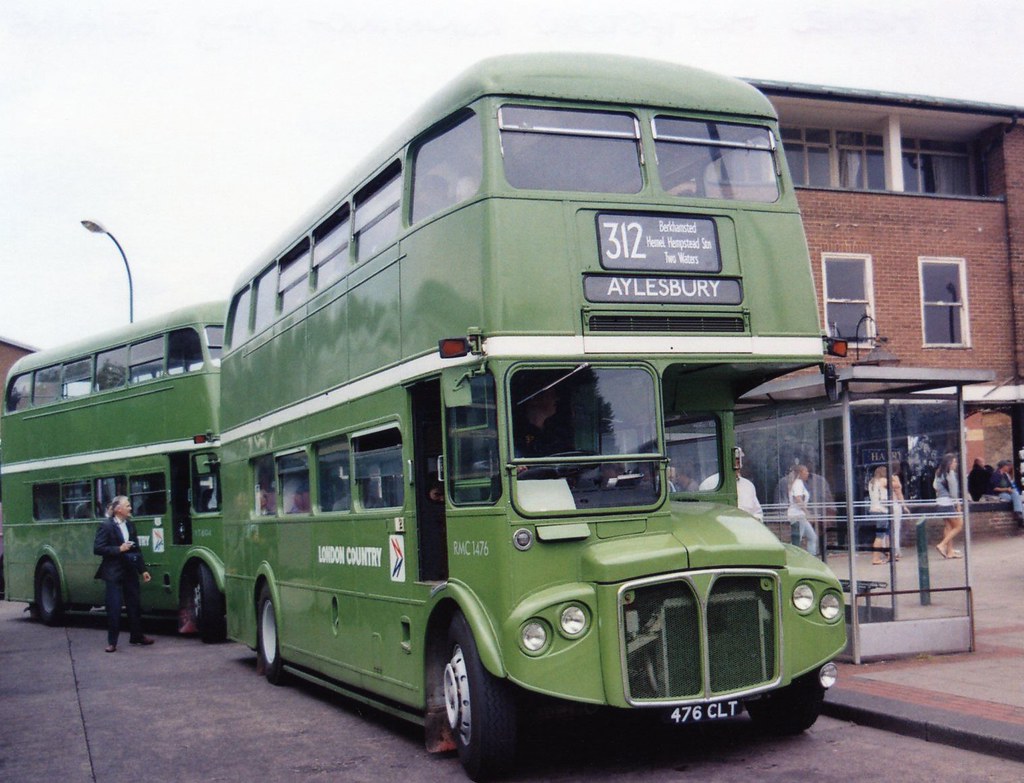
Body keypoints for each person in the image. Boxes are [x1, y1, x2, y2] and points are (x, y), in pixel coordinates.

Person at [93, 496, 154, 652]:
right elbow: (98, 548)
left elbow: (136, 549)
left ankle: (137, 636)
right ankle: (112, 642)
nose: (130, 508)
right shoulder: (106, 526)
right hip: (113, 573)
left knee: (134, 605)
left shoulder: (131, 525)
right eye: (127, 506)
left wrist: (143, 570)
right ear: (118, 509)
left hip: (130, 571)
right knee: (114, 607)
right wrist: (118, 549)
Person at [933, 453, 963, 559]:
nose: (956, 464)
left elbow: (935, 487)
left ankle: (950, 552)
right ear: (950, 463)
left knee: (948, 527)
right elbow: (954, 492)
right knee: (958, 525)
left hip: (940, 501)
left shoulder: (938, 473)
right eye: (954, 462)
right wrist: (958, 504)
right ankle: (942, 545)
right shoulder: (950, 473)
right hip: (948, 502)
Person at [786, 464, 818, 556]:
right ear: (800, 473)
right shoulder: (798, 483)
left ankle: (812, 558)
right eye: (806, 471)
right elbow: (798, 498)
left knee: (812, 537)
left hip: (800, 515)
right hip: (797, 515)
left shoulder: (798, 483)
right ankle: (793, 557)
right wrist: (806, 512)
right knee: (797, 540)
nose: (808, 473)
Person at [867, 466, 891, 565]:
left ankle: (890, 554)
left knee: (887, 534)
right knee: (880, 536)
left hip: (873, 509)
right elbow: (885, 498)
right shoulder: (883, 481)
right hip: (882, 510)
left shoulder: (871, 482)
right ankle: (875, 558)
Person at [889, 460, 911, 559]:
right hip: (895, 505)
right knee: (896, 529)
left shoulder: (885, 478)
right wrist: (904, 506)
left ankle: (889, 550)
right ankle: (896, 551)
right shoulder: (895, 478)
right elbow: (899, 494)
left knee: (888, 530)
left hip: (887, 506)